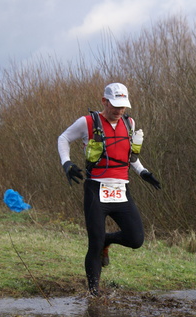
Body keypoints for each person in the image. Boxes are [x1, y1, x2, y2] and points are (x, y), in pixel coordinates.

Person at [57, 82, 161, 296]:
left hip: (121, 189)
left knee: (136, 239)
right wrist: (66, 163)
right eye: (115, 106)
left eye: (123, 107)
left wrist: (143, 172)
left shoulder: (129, 122)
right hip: (96, 190)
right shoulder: (87, 122)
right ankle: (94, 294)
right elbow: (63, 138)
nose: (119, 110)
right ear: (104, 101)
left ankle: (107, 239)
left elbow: (129, 156)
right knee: (94, 244)